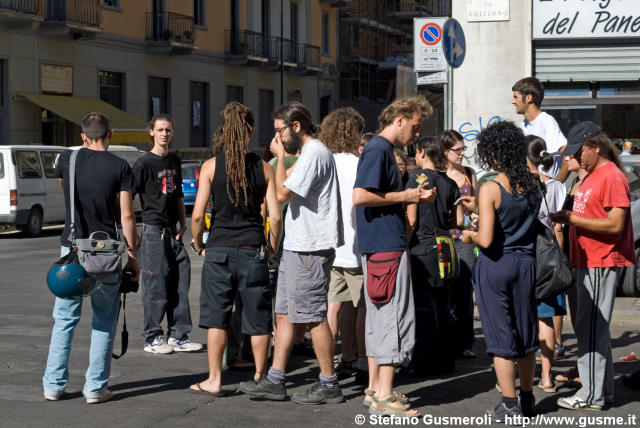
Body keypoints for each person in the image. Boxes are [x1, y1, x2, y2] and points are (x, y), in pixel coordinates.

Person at [239, 102, 344, 404]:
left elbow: (283, 192)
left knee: (313, 317)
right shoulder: (310, 154)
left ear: (295, 127)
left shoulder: (314, 153)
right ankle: (275, 379)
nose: (277, 137)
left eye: (279, 131)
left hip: (310, 247)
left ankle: (329, 382)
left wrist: (280, 157)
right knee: (284, 314)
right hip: (298, 246)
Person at [43, 112, 140, 404]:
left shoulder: (67, 161)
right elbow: (126, 216)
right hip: (105, 252)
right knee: (104, 319)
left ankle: (53, 385)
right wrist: (132, 257)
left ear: (83, 136)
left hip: (71, 250)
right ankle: (95, 388)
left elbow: (68, 194)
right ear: (110, 134)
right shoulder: (121, 166)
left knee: (64, 319)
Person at [189, 102, 282, 396]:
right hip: (252, 248)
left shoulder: (211, 166)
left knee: (216, 317)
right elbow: (276, 216)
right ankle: (259, 377)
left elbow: (196, 214)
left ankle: (214, 379)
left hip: (218, 249)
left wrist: (198, 241)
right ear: (250, 132)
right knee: (257, 317)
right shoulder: (263, 167)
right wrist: (271, 247)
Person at [353, 95, 435, 417]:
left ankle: (376, 390)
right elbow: (360, 196)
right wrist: (409, 194)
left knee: (380, 319)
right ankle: (384, 395)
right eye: (415, 127)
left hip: (380, 247)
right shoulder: (379, 149)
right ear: (399, 119)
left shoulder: (379, 149)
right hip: (385, 247)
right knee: (392, 319)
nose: (416, 135)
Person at [461, 121, 541, 422]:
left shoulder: (491, 186)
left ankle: (508, 403)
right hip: (526, 263)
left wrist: (469, 235)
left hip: (496, 264)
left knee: (500, 336)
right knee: (525, 333)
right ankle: (528, 399)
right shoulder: (534, 184)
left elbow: (486, 239)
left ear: (493, 152)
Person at [552, 122, 635, 411]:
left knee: (590, 329)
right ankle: (603, 392)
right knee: (593, 330)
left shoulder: (610, 175)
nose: (576, 156)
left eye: (579, 150)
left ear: (595, 147)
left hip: (600, 261)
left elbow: (615, 224)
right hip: (586, 261)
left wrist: (572, 220)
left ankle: (590, 395)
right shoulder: (592, 175)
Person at [133, 114, 202, 354]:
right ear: (151, 132)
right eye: (160, 130)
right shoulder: (144, 164)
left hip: (173, 231)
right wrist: (131, 231)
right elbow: (126, 195)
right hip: (153, 231)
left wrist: (183, 223)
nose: (164, 134)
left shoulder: (174, 161)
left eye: (168, 130)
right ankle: (152, 337)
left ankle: (178, 335)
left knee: (180, 282)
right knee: (155, 286)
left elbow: (179, 195)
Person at [405, 136, 464, 376]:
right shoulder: (450, 182)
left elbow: (410, 219)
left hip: (422, 247)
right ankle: (446, 359)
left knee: (423, 307)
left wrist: (404, 246)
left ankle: (423, 360)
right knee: (444, 306)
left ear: (421, 153)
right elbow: (459, 220)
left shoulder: (416, 180)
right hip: (445, 245)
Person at [319, 108, 367, 382]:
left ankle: (334, 362)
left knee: (334, 306)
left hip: (330, 245)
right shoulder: (358, 163)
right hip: (356, 245)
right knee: (361, 307)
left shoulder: (324, 162)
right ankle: (360, 361)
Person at [524, 135, 567, 394]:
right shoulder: (556, 186)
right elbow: (558, 227)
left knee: (522, 316)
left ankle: (521, 375)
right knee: (546, 317)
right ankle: (547, 376)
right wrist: (559, 258)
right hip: (548, 256)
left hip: (525, 253)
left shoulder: (517, 185)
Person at [441, 130, 478, 359]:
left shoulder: (469, 173)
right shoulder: (438, 174)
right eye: (458, 150)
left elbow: (476, 204)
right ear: (445, 151)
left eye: (463, 149)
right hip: (445, 237)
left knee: (465, 290)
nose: (462, 153)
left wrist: (474, 215)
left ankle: (466, 341)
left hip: (464, 238)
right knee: (446, 290)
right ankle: (447, 338)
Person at [512, 77, 568, 181]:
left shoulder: (547, 121)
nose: (512, 101)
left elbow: (568, 154)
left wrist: (558, 182)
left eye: (515, 97)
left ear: (528, 98)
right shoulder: (523, 125)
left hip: (545, 192)